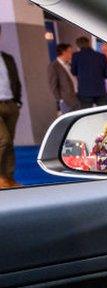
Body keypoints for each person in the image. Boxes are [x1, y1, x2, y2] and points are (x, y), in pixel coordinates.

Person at [0, 27, 21, 188]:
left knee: (10, 143)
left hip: (11, 104)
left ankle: (7, 177)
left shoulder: (7, 58)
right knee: (3, 140)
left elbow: (16, 80)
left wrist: (17, 101)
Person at [71, 36, 107, 108]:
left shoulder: (76, 56)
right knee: (105, 113)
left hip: (84, 91)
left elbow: (73, 72)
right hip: (100, 90)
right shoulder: (101, 56)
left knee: (86, 113)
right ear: (89, 44)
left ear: (78, 45)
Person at [49, 43, 80, 114]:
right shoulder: (53, 66)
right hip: (66, 101)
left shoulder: (69, 64)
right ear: (64, 52)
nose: (72, 54)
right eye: (70, 52)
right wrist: (61, 99)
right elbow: (53, 85)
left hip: (76, 97)